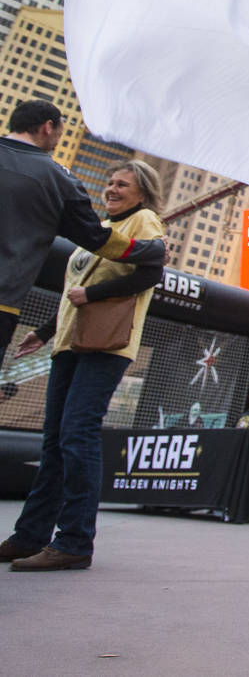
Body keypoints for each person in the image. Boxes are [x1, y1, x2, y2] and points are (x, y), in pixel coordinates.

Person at [0, 159, 165, 571]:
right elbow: (77, 292)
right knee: (54, 442)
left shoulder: (144, 222)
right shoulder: (99, 232)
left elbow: (149, 276)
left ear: (142, 192)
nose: (111, 189)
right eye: (109, 182)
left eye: (122, 184)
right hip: (70, 344)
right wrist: (46, 331)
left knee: (77, 434)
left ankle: (74, 541)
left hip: (107, 345)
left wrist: (93, 297)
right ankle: (29, 537)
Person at [0, 99, 167, 366]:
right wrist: (153, 250)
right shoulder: (59, 181)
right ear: (47, 127)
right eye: (59, 134)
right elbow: (98, 240)